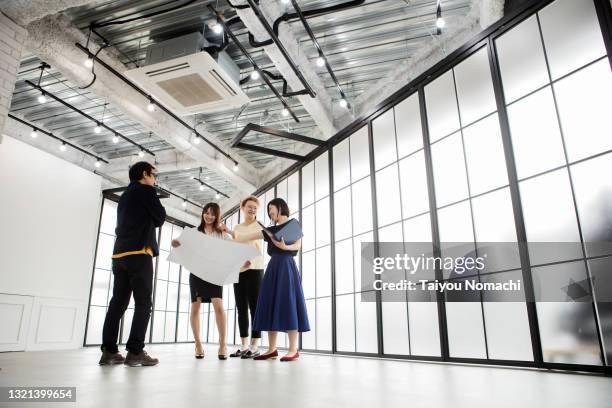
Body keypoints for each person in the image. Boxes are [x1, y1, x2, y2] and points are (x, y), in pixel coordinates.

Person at [99, 161, 165, 367]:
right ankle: (135, 351)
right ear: (145, 174)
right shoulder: (147, 190)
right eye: (154, 175)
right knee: (144, 303)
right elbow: (160, 217)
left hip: (119, 256)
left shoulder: (125, 196)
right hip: (139, 254)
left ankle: (108, 351)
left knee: (117, 303)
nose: (155, 179)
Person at [233, 198, 309, 362]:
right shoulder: (270, 230)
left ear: (280, 207)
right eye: (268, 210)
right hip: (273, 267)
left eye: (271, 209)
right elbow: (244, 237)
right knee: (270, 303)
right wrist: (228, 232)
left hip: (287, 266)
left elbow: (298, 245)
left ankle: (293, 349)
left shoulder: (293, 224)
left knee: (289, 303)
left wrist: (284, 247)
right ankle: (272, 349)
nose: (269, 212)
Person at [171, 202, 231, 360]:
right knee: (195, 307)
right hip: (197, 273)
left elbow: (232, 251)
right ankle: (198, 344)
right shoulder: (193, 232)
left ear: (217, 216)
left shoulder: (222, 235)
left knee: (218, 305)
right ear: (202, 213)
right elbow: (178, 243)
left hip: (215, 272)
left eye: (213, 214)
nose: (209, 216)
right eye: (207, 212)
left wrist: (242, 261)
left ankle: (223, 344)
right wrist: (175, 243)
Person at [227, 196, 264, 359]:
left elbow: (256, 245)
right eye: (249, 207)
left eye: (255, 207)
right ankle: (243, 345)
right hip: (239, 269)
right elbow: (234, 247)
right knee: (241, 308)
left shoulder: (260, 225)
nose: (252, 210)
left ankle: (255, 346)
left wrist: (250, 260)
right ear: (242, 208)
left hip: (255, 269)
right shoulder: (237, 227)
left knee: (255, 308)